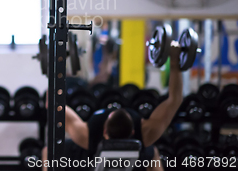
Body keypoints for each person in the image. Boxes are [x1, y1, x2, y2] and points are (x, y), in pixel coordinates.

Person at [42, 41, 183, 171]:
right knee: (154, 153)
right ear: (133, 131)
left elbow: (53, 104)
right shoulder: (146, 133)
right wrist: (175, 61)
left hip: (89, 155)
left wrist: (55, 65)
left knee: (47, 152)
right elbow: (175, 99)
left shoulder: (86, 134)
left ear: (104, 131)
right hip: (129, 156)